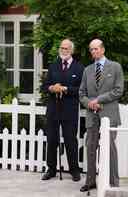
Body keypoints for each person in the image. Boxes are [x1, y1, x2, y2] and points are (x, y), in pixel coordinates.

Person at [79, 39, 124, 192]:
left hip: (109, 114)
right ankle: (91, 181)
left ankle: (113, 182)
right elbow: (81, 93)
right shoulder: (87, 70)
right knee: (90, 146)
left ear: (103, 50)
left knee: (110, 148)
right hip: (92, 114)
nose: (94, 52)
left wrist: (99, 99)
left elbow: (118, 90)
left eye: (96, 49)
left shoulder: (115, 67)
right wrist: (89, 103)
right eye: (91, 49)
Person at [41, 39, 84, 182]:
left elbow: (81, 90)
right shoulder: (53, 66)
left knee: (70, 140)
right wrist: (52, 88)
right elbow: (45, 86)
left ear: (71, 51)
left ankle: (74, 170)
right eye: (61, 48)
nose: (63, 50)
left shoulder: (79, 68)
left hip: (70, 110)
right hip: (53, 108)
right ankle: (51, 169)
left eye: (66, 48)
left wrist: (65, 89)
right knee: (52, 139)